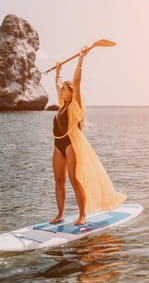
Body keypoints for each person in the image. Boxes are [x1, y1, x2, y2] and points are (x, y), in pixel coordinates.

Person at [51, 47, 127, 225]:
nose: (61, 91)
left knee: (74, 180)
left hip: (71, 145)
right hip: (57, 145)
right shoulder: (62, 104)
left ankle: (82, 215)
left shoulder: (74, 105)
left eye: (64, 89)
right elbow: (57, 84)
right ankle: (60, 214)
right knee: (59, 180)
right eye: (61, 89)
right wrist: (58, 73)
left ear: (70, 92)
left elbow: (77, 82)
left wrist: (80, 59)